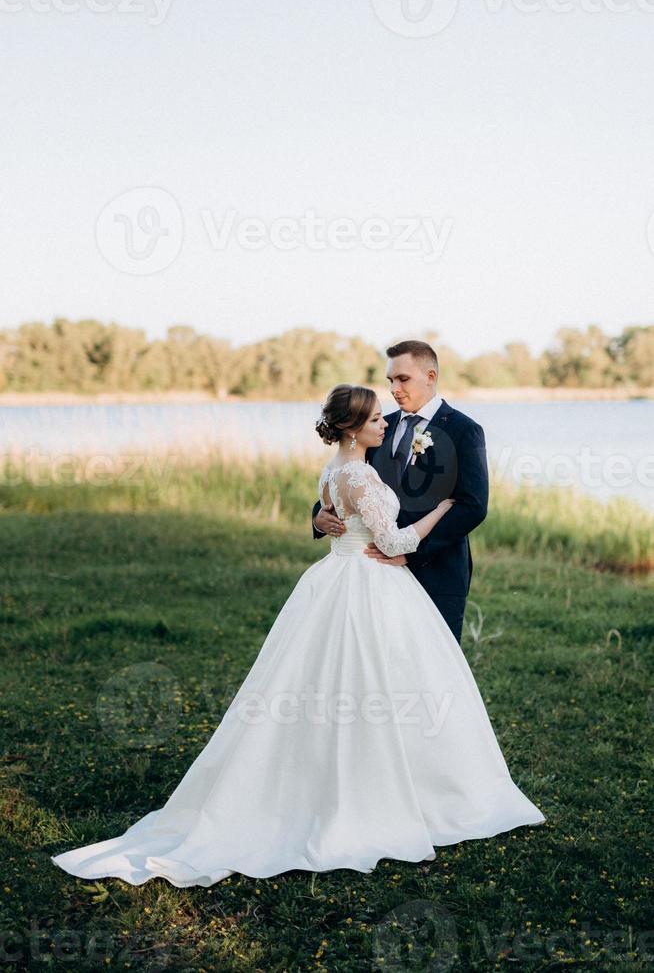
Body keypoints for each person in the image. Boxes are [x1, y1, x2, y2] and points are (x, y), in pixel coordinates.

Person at [50, 383, 544, 889]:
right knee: (379, 685)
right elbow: (392, 539)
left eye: (388, 405)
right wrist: (440, 511)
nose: (386, 420)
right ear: (353, 428)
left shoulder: (339, 468)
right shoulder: (357, 472)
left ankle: (379, 782)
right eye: (376, 417)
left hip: (339, 579)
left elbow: (351, 508)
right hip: (370, 583)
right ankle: (382, 794)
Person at [312, 340, 488, 644]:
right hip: (376, 575)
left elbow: (472, 505)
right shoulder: (379, 426)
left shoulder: (464, 430)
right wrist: (319, 517)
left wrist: (411, 553)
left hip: (437, 571)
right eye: (390, 380)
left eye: (403, 379)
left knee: (433, 665)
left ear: (430, 377)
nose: (394, 388)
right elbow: (350, 483)